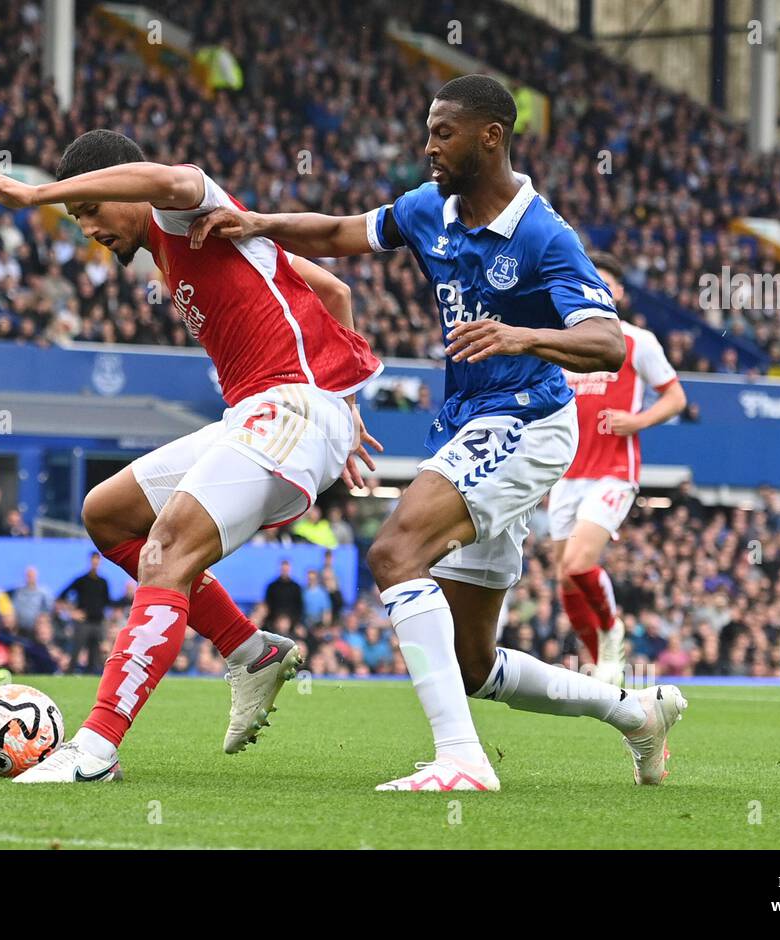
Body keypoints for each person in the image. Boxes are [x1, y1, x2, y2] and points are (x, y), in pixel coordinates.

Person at [190, 75, 686, 791]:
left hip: (527, 421)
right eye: (427, 131)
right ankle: (636, 713)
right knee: (471, 660)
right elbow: (341, 233)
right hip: (471, 425)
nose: (428, 146)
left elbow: (607, 344)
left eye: (442, 132)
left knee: (395, 553)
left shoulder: (545, 235)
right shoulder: (430, 209)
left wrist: (518, 334)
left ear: (492, 136)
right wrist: (259, 222)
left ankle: (461, 760)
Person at [0, 126, 383, 782]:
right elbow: (335, 294)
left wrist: (37, 193)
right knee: (109, 513)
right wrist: (346, 409)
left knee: (165, 552)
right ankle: (250, 651)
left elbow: (174, 177)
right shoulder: (175, 249)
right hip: (263, 415)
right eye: (75, 218)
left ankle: (94, 751)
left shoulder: (183, 216)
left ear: (123, 184)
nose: (88, 228)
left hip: (288, 409)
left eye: (90, 210)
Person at [549, 251, 687, 684]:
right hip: (565, 476)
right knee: (566, 582)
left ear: (619, 293)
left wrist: (639, 420)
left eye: (606, 282)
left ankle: (612, 630)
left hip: (612, 473)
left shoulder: (636, 342)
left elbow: (676, 397)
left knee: (577, 563)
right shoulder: (565, 343)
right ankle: (598, 666)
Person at [264, 560, 304, 626]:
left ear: (289, 569)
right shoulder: (272, 586)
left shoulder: (296, 587)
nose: (285, 571)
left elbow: (299, 606)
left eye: (286, 569)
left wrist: (295, 623)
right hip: (274, 622)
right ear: (280, 569)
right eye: (283, 569)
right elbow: (268, 605)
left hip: (292, 623)